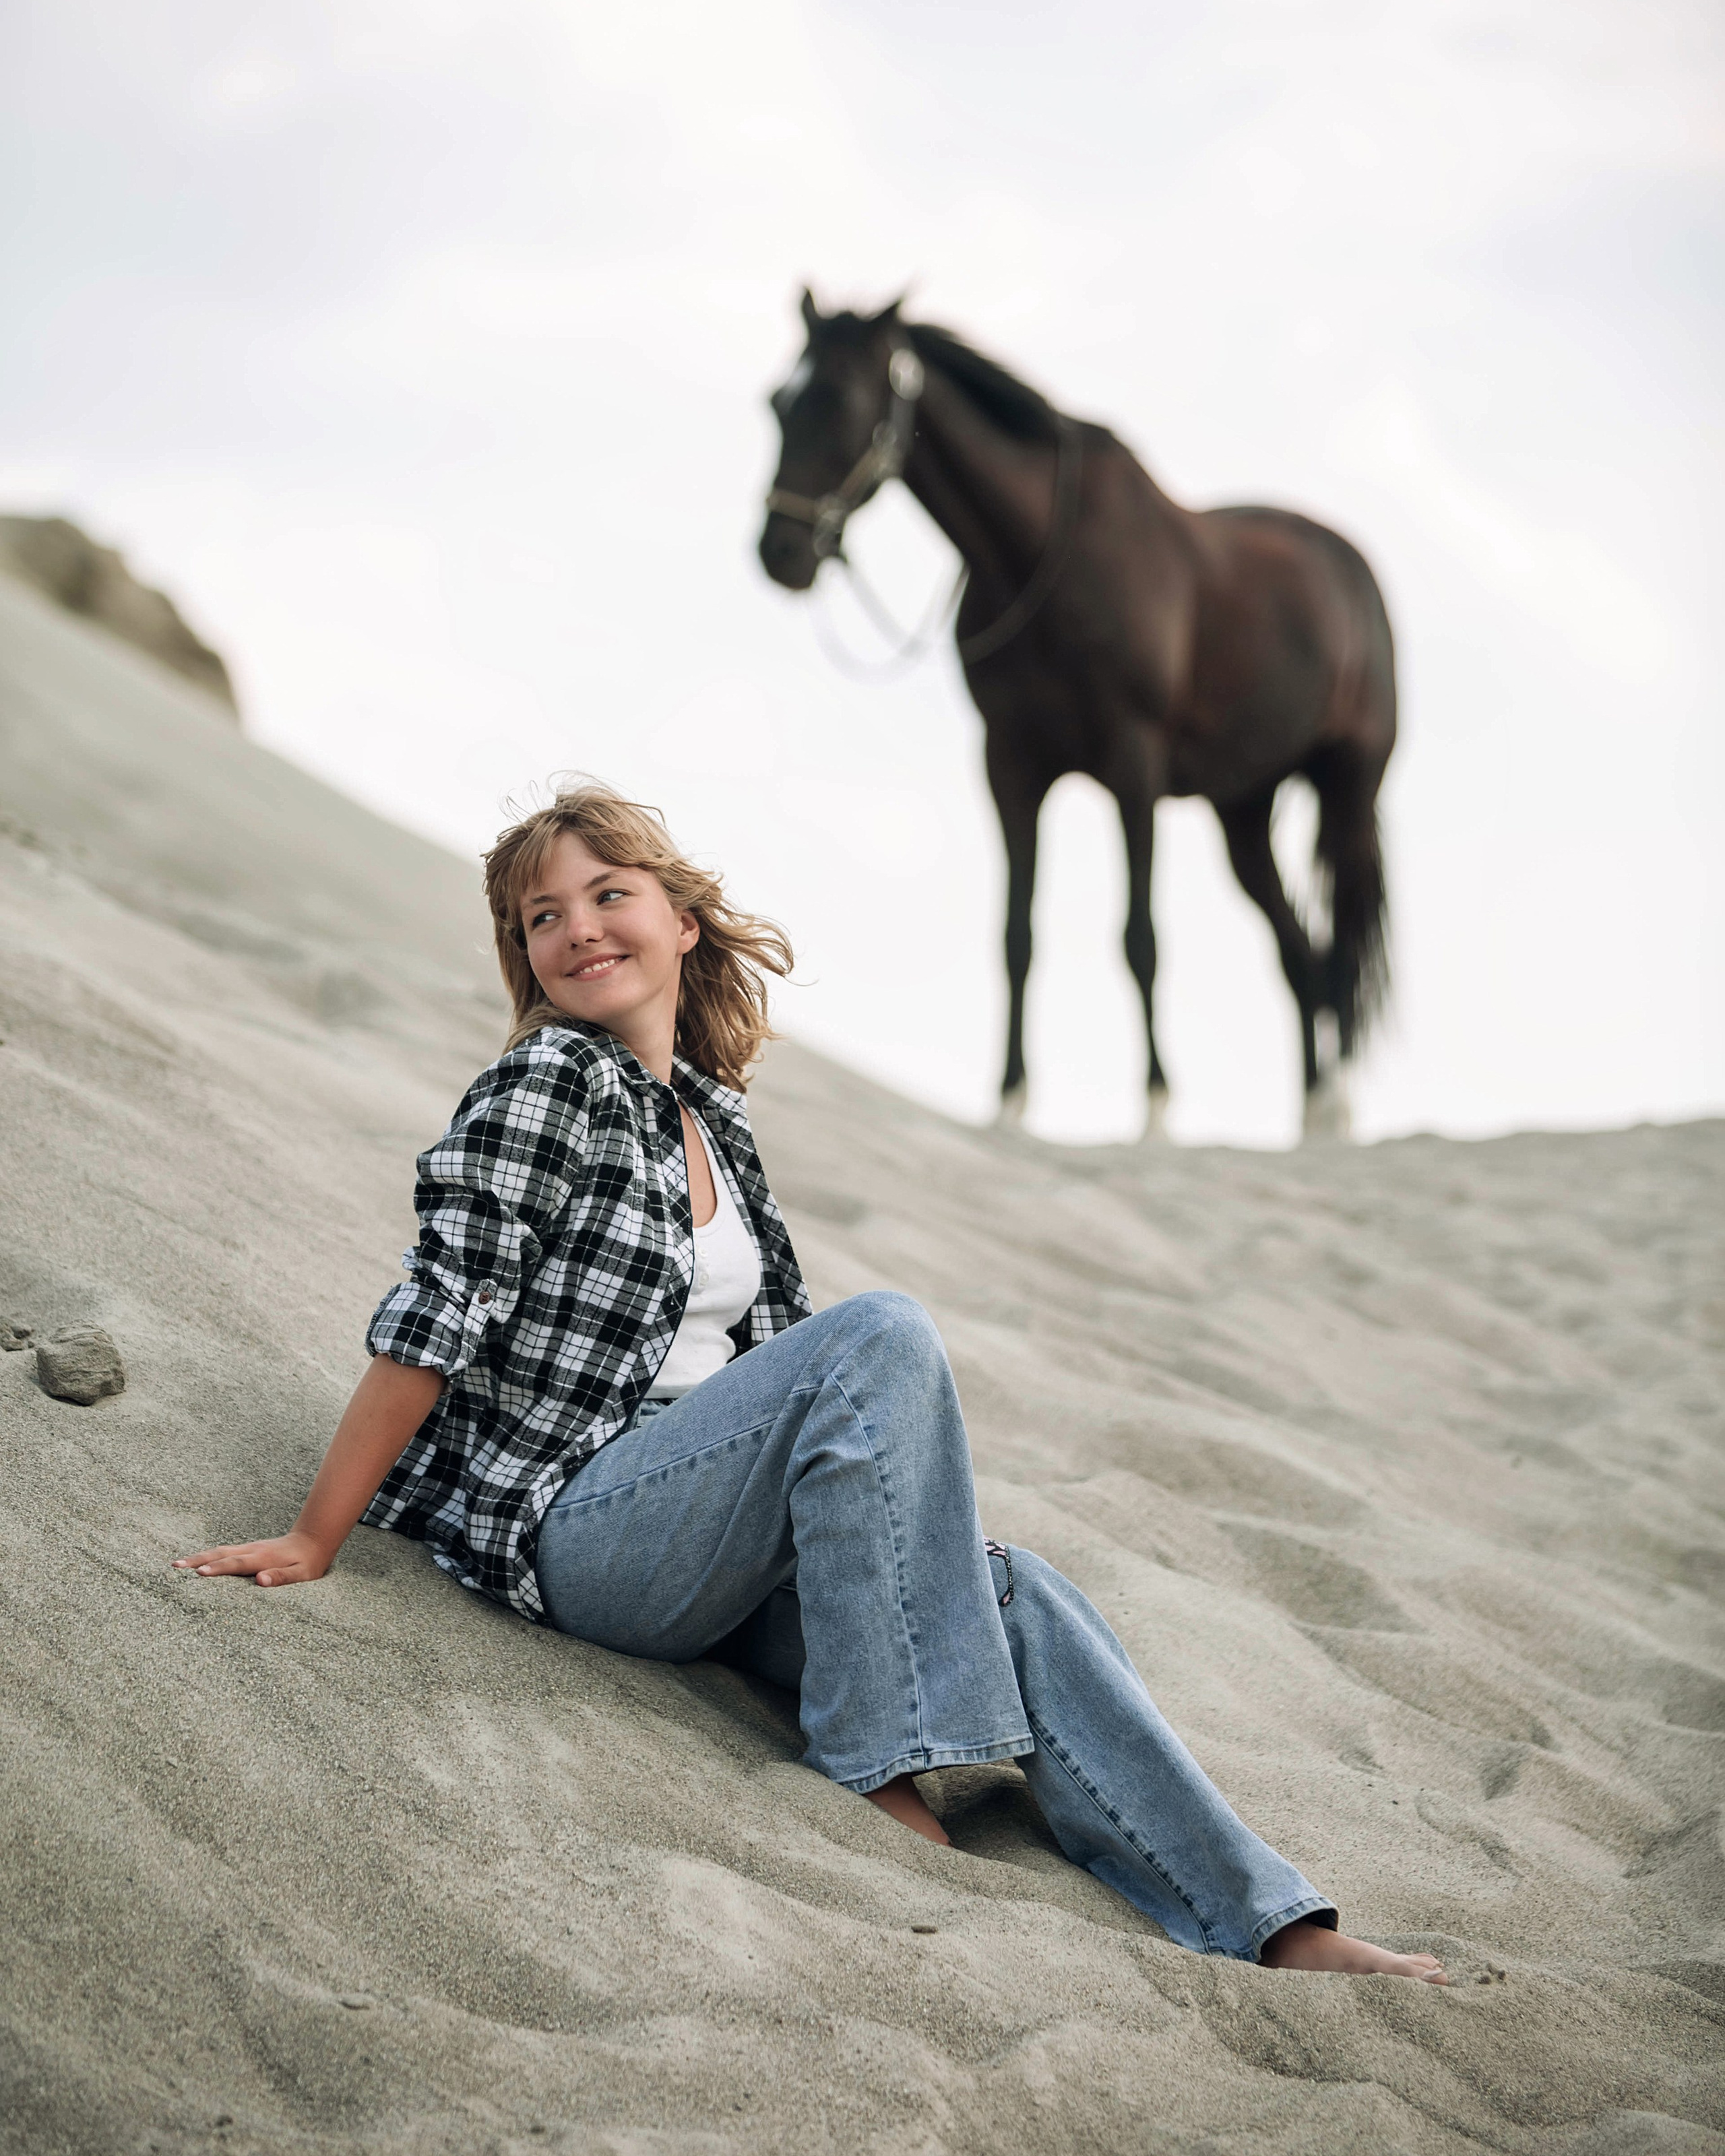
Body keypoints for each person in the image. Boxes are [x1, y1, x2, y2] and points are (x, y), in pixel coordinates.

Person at [176, 783, 1444, 1984]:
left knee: (1018, 1593)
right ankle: (874, 1761)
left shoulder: (713, 1119)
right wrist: (315, 1536)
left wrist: (913, 1562)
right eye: (542, 917)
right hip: (578, 1524)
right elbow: (439, 1308)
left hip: (718, 1535)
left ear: (681, 921)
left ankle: (1264, 1920)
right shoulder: (547, 1083)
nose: (578, 929)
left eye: (608, 894)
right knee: (879, 1333)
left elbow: (782, 1376)